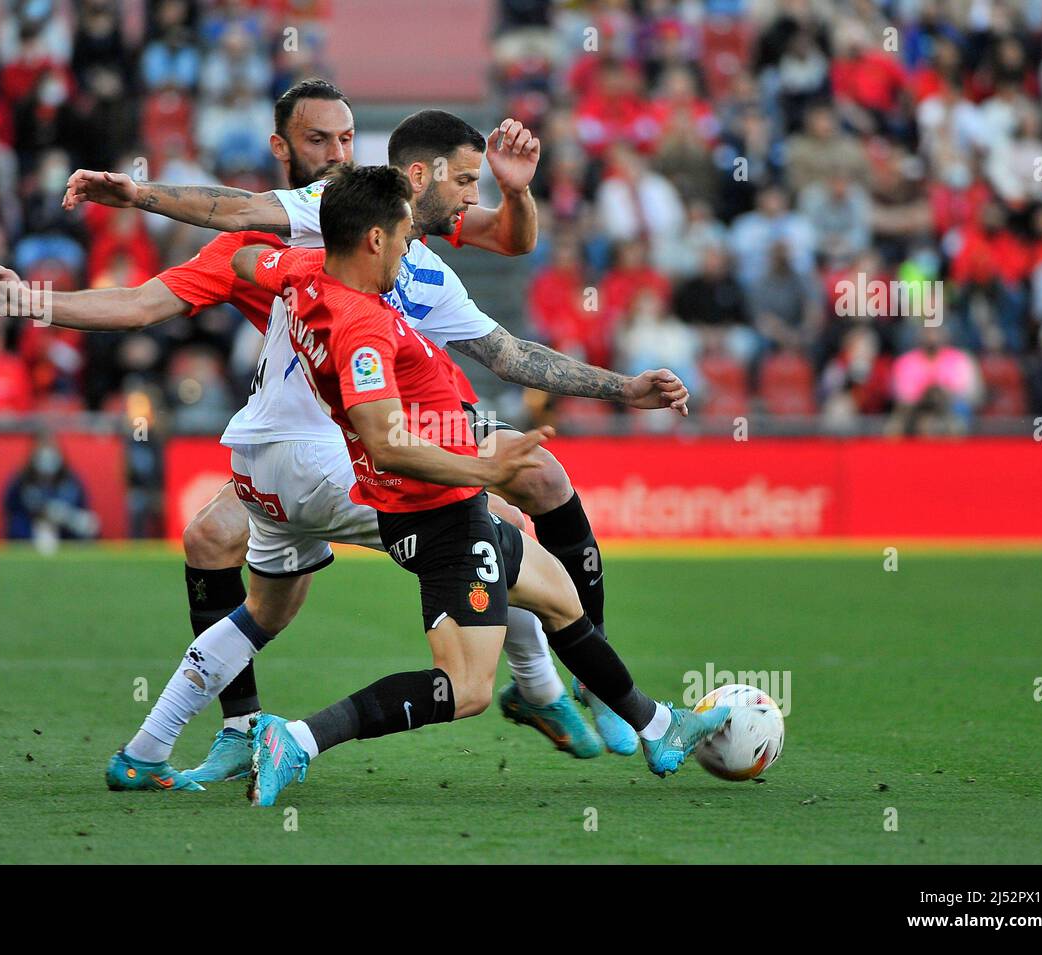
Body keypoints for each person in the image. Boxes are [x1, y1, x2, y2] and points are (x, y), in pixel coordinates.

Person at [62, 99, 682, 760]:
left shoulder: (410, 250)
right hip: (340, 436)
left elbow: (509, 285)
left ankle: (567, 686)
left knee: (533, 486)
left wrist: (621, 386)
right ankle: (252, 731)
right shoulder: (327, 212)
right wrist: (137, 196)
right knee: (488, 532)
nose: (338, 152)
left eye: (348, 136)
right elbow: (236, 218)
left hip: (394, 423)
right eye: (321, 138)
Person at [227, 166, 728, 805]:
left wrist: (297, 266)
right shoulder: (360, 327)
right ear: (374, 240)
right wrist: (485, 471)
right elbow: (385, 440)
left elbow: (246, 260)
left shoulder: (302, 275)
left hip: (431, 505)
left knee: (562, 599)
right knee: (464, 689)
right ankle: (296, 740)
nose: (411, 247)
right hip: (438, 513)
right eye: (405, 234)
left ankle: (661, 728)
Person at [4, 435, 99, 548]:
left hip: (65, 529)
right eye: (42, 448)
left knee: (86, 526)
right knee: (18, 527)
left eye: (51, 448)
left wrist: (67, 517)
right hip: (31, 528)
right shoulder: (22, 480)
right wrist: (41, 517)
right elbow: (9, 507)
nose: (47, 455)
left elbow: (82, 506)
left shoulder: (70, 479)